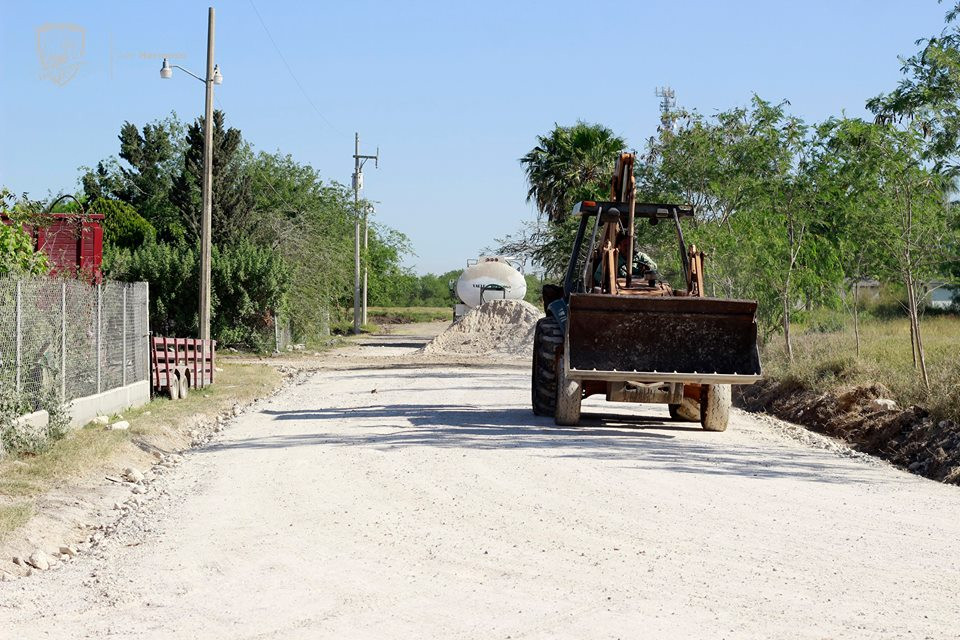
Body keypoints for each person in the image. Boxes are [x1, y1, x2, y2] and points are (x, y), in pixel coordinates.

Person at [594, 235, 658, 284]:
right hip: (618, 288)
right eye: (625, 245)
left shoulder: (641, 256)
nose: (628, 248)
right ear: (619, 246)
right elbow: (598, 275)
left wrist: (647, 267)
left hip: (639, 286)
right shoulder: (612, 258)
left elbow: (654, 266)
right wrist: (610, 281)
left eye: (630, 245)